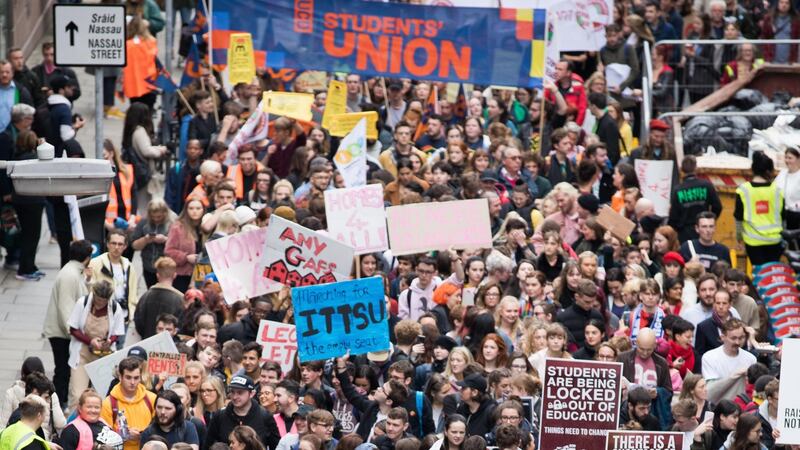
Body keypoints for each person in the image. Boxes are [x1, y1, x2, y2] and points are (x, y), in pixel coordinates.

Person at [43, 239, 92, 406]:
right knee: (63, 371)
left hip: (64, 332)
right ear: (87, 257)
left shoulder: (73, 272)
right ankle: (57, 403)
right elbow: (66, 309)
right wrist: (72, 333)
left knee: (64, 370)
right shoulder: (69, 275)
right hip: (62, 333)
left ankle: (58, 402)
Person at [67, 281, 126, 407]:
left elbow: (117, 332)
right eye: (98, 300)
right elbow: (73, 329)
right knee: (78, 395)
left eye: (103, 301)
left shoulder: (115, 308)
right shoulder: (82, 303)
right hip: (83, 353)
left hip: (103, 355)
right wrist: (90, 341)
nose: (100, 303)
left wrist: (110, 341)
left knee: (101, 396)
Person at [735, 150, 785, 266]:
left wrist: (739, 238)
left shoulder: (743, 190)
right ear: (769, 170)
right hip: (775, 241)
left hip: (753, 242)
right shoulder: (777, 190)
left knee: (759, 274)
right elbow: (783, 217)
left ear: (753, 169)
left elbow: (738, 218)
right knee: (772, 274)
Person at [204, 375, 280, 450]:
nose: (234, 397)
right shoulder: (220, 416)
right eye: (232, 392)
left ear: (251, 394)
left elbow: (277, 447)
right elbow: (208, 446)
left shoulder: (265, 417)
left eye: (240, 393)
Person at [100, 357, 157, 450]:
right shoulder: (108, 404)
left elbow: (160, 429)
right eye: (128, 377)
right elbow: (104, 437)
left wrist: (143, 435)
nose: (132, 382)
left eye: (136, 378)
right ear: (120, 377)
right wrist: (123, 434)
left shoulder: (152, 398)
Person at [122, 102, 169, 210]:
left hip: (136, 169)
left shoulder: (131, 130)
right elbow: (146, 150)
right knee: (144, 203)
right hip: (142, 171)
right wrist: (161, 150)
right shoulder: (140, 131)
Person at [89, 230, 139, 328]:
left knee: (121, 344)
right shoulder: (95, 263)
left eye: (120, 244)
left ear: (125, 246)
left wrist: (131, 312)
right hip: (101, 318)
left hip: (123, 318)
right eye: (113, 243)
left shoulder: (129, 266)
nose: (116, 247)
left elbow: (133, 293)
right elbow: (89, 290)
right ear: (107, 244)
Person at [669, 156, 723, 242]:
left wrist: (678, 228)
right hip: (703, 229)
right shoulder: (706, 185)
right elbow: (717, 207)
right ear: (696, 168)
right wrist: (709, 220)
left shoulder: (678, 190)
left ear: (682, 169)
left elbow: (673, 217)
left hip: (685, 232)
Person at [702, 319, 756, 403]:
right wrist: (735, 375)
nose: (737, 342)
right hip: (718, 407)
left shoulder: (750, 358)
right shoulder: (710, 357)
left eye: (741, 338)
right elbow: (710, 391)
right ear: (722, 337)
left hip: (742, 407)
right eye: (733, 338)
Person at [134, 257, 184, 339]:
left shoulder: (145, 296)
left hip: (147, 342)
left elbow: (138, 322)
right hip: (170, 346)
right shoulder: (180, 300)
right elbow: (181, 326)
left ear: (157, 275)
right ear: (174, 275)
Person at [57, 389, 123, 450]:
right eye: (89, 407)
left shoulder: (104, 424)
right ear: (80, 408)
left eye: (97, 407)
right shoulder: (71, 431)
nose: (93, 410)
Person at [165, 198, 205, 293]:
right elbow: (169, 251)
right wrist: (186, 257)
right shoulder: (177, 227)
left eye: (198, 208)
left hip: (202, 272)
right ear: (186, 210)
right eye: (191, 208)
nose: (194, 211)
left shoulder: (206, 227)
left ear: (203, 210)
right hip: (182, 274)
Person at [130, 199, 172, 288]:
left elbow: (179, 245)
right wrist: (145, 240)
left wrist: (165, 240)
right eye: (153, 217)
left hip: (166, 267)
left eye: (159, 217)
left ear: (165, 213)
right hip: (148, 266)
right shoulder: (143, 222)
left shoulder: (172, 222)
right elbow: (134, 245)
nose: (156, 219)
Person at [556, 279, 604, 348]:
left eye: (593, 301)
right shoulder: (563, 318)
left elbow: (604, 340)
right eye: (587, 302)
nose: (591, 305)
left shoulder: (597, 316)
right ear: (577, 297)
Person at [587, 92, 621, 164]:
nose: (588, 108)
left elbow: (613, 151)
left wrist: (607, 168)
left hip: (607, 166)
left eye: (589, 105)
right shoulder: (601, 121)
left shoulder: (609, 123)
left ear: (594, 106)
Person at [775, 147, 800, 231]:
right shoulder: (783, 173)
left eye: (790, 158)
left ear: (798, 159)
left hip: (796, 215)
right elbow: (774, 188)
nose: (787, 160)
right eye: (786, 157)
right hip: (781, 213)